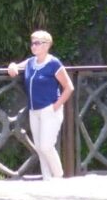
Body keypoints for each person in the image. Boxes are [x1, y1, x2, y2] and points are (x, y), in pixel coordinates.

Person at [7, 30, 74, 180]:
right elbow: (16, 66)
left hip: (50, 110)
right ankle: (47, 179)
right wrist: (12, 65)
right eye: (32, 43)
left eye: (37, 43)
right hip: (34, 111)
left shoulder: (53, 63)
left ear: (47, 45)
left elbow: (69, 87)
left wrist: (56, 106)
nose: (33, 46)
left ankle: (58, 175)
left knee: (46, 146)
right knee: (39, 148)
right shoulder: (31, 62)